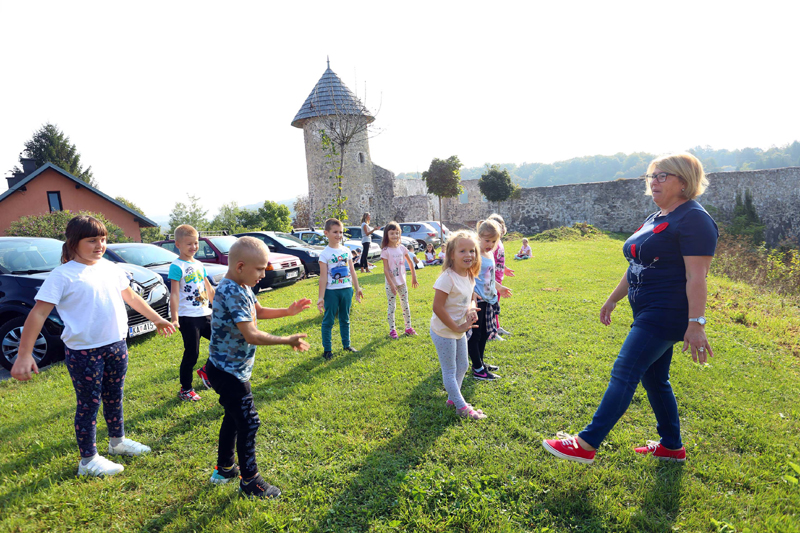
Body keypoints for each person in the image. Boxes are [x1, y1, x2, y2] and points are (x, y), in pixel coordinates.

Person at [542, 152, 719, 464]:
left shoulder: (694, 219)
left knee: (625, 371)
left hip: (666, 312)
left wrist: (696, 323)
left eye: (662, 176)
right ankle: (671, 446)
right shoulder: (658, 217)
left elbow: (696, 277)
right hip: (646, 309)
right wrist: (613, 298)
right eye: (651, 176)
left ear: (683, 181)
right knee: (654, 378)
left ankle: (586, 443)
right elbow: (636, 263)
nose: (653, 181)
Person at [10, 215, 176, 477]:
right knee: (89, 404)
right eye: (92, 240)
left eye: (103, 239)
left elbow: (130, 296)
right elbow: (38, 314)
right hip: (84, 351)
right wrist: (24, 353)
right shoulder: (62, 275)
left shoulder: (110, 268)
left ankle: (117, 442)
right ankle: (88, 460)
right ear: (74, 242)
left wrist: (156, 319)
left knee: (114, 396)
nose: (100, 245)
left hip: (116, 345)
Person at [204, 237, 311, 498]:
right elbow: (251, 334)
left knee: (234, 417)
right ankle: (250, 482)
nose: (264, 274)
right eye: (260, 269)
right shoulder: (230, 291)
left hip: (230, 369)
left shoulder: (242, 286)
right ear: (240, 266)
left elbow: (258, 311)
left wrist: (287, 311)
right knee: (249, 422)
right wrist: (287, 340)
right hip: (228, 372)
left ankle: (226, 468)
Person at [431, 230, 486, 419]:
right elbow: (437, 307)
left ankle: (453, 399)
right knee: (450, 369)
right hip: (444, 330)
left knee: (462, 364)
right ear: (451, 254)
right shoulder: (447, 278)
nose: (468, 255)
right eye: (462, 251)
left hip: (460, 328)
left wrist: (471, 308)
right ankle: (462, 407)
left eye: (472, 251)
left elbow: (472, 297)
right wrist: (456, 327)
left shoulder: (469, 275)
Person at [168, 224, 215, 401]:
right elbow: (174, 293)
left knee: (222, 342)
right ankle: (185, 390)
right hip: (188, 318)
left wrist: (219, 305)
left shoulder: (199, 264)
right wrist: (174, 318)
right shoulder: (176, 266)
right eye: (189, 244)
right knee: (192, 353)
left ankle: (206, 371)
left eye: (196, 243)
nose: (194, 247)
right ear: (178, 244)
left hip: (205, 313)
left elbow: (208, 288)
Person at [469, 219, 512, 381]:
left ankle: (479, 363)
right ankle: (478, 369)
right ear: (479, 236)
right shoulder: (474, 253)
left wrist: (499, 288)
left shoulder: (489, 254)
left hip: (489, 299)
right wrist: (472, 293)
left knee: (486, 333)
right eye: (487, 240)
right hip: (478, 301)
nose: (490, 244)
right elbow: (468, 275)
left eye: (494, 241)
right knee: (476, 335)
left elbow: (490, 277)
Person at [318, 218, 364, 360]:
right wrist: (321, 297)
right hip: (332, 292)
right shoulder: (324, 254)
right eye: (335, 232)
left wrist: (357, 288)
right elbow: (323, 277)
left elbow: (352, 271)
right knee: (329, 320)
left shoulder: (346, 251)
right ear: (326, 233)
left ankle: (347, 345)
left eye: (341, 232)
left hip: (346, 289)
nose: (338, 235)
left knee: (345, 318)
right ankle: (327, 350)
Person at [380, 221, 419, 339]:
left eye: (397, 233)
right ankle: (392, 330)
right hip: (391, 284)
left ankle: (408, 328)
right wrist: (391, 284)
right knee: (392, 307)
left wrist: (414, 277)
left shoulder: (402, 248)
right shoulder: (385, 251)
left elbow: (410, 263)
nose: (395, 236)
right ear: (387, 234)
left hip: (402, 282)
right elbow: (386, 270)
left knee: (405, 305)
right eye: (392, 233)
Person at [487, 214, 515, 340]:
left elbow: (498, 260)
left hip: (498, 278)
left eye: (502, 225)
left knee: (496, 304)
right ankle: (492, 332)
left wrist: (504, 268)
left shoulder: (499, 242)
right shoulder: (493, 243)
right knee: (492, 305)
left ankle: (497, 327)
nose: (502, 228)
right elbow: (488, 262)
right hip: (492, 279)